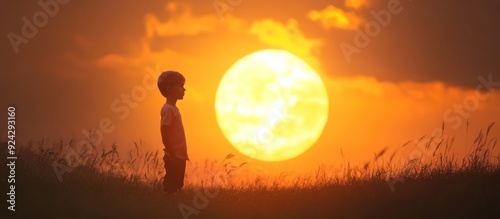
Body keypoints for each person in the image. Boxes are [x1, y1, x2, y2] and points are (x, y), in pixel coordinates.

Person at [157, 71, 188, 194]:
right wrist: (171, 152)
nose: (184, 89)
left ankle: (173, 203)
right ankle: (166, 204)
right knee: (171, 183)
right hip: (174, 155)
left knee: (178, 183)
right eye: (180, 86)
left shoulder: (173, 109)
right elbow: (164, 130)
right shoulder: (168, 109)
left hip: (179, 155)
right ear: (169, 88)